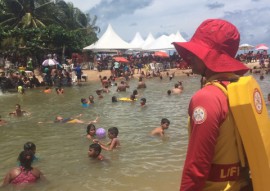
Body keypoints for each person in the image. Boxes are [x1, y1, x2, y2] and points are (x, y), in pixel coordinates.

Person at [173, 19, 252, 191]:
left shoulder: (207, 98)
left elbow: (197, 167)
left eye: (195, 52)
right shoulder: (238, 89)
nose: (189, 57)